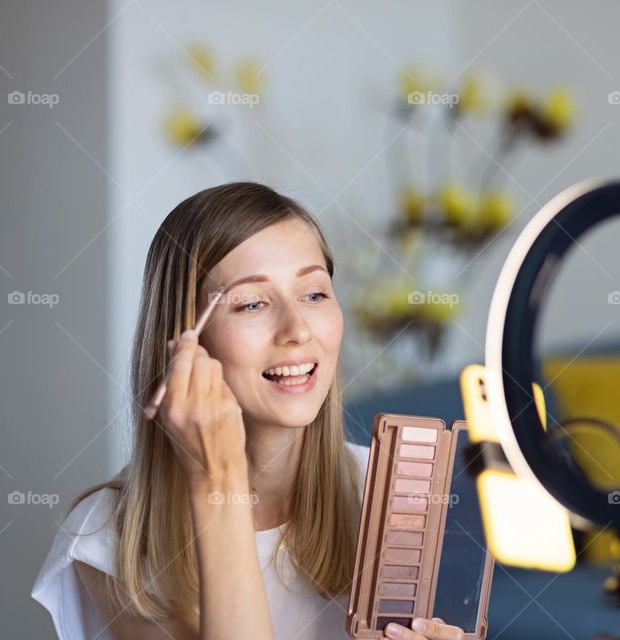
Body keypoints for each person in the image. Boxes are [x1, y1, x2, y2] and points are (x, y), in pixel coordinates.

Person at [31, 182, 466, 640]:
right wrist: (215, 478)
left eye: (314, 294)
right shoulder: (109, 538)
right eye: (252, 303)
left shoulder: (398, 493)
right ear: (185, 342)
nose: (297, 330)